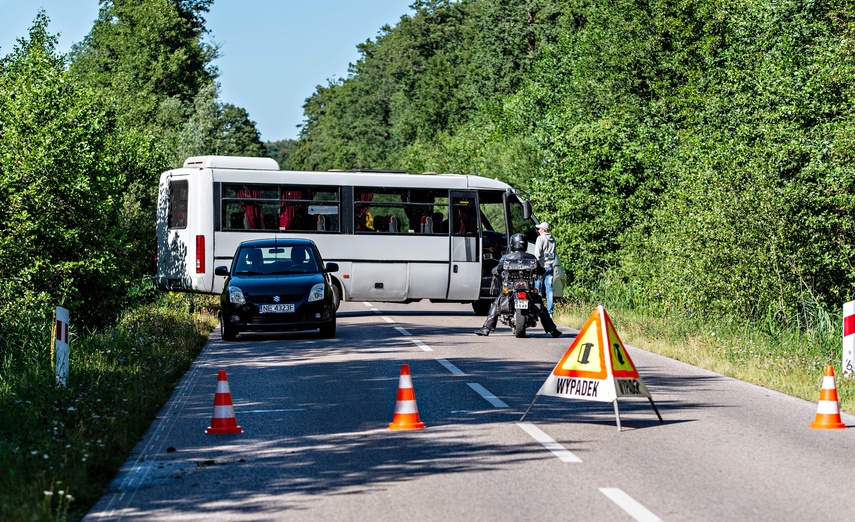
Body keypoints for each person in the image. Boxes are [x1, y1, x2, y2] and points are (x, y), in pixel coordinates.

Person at [475, 233, 562, 338]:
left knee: (496, 304)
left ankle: (486, 328)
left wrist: (495, 271)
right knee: (541, 308)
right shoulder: (532, 257)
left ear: (512, 244)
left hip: (511, 288)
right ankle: (553, 330)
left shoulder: (506, 257)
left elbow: (497, 269)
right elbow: (541, 271)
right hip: (528, 288)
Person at [534, 222, 557, 316]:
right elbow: (553, 254)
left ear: (543, 229)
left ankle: (538, 310)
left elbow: (537, 254)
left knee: (538, 289)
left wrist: (536, 262)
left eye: (539, 229)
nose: (538, 230)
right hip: (550, 266)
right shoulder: (553, 239)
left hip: (541, 267)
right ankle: (550, 312)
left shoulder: (540, 238)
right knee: (549, 290)